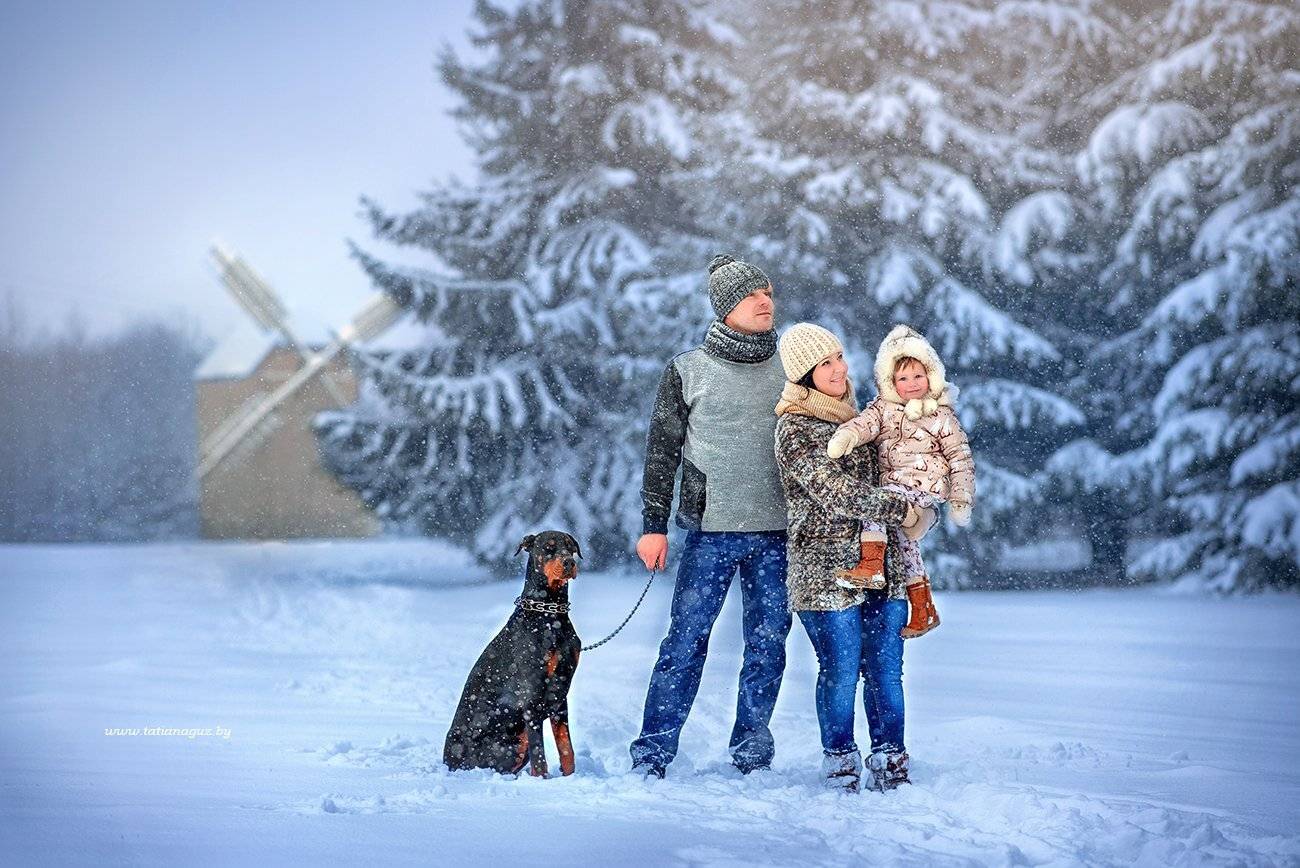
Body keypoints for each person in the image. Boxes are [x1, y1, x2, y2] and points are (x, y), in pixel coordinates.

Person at [628, 254, 793, 779]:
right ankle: (652, 754)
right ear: (726, 309)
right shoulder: (686, 370)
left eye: (767, 291)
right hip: (710, 534)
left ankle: (751, 754)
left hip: (778, 534)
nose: (765, 301)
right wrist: (654, 526)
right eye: (752, 296)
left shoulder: (794, 366)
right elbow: (662, 453)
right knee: (684, 643)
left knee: (768, 647)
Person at [773, 323, 937, 792]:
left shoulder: (868, 419)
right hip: (824, 571)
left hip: (883, 570)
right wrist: (901, 510)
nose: (839, 368)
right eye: (826, 363)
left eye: (840, 357)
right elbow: (835, 492)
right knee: (842, 668)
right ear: (804, 373)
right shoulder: (795, 428)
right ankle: (841, 759)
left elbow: (909, 475)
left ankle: (889, 757)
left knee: (886, 669)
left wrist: (924, 510)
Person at [827, 324, 976, 637]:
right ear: (890, 382)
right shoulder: (883, 409)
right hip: (896, 485)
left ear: (932, 376)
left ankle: (871, 565)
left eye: (918, 376)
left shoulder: (942, 416)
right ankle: (924, 609)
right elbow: (865, 424)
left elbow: (960, 457)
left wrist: (960, 498)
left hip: (922, 487)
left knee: (877, 505)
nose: (911, 384)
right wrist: (847, 435)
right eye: (903, 378)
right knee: (907, 547)